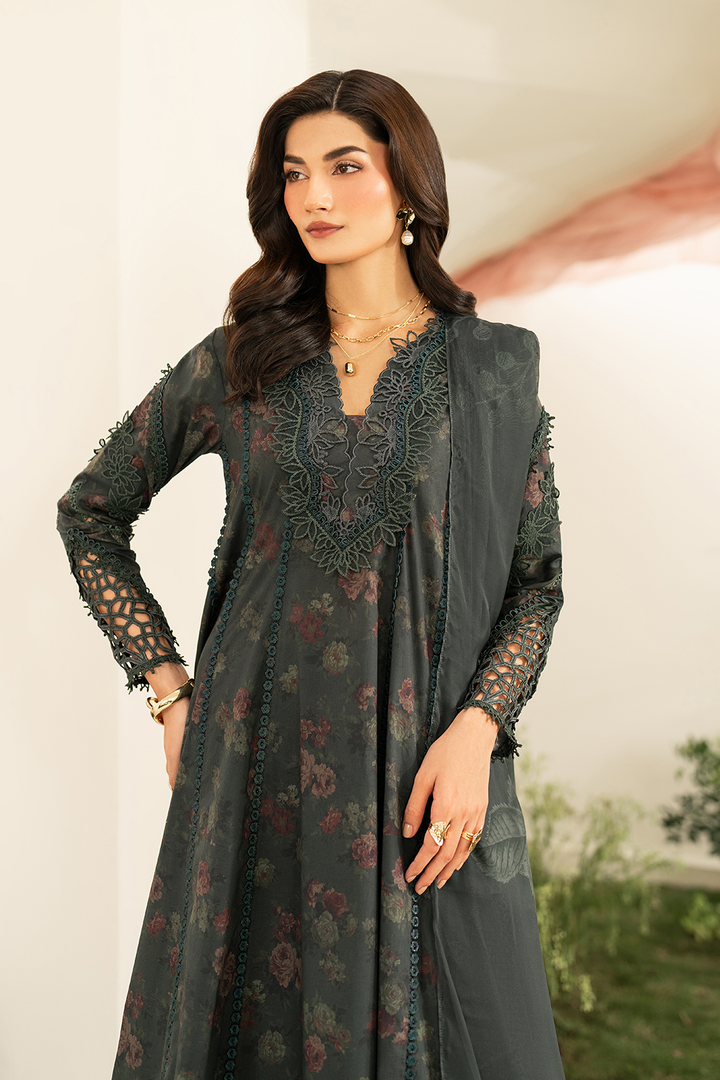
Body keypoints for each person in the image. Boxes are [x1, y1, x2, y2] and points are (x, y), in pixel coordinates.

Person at [57, 69, 564, 1080]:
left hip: (415, 766)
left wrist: (478, 729)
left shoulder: (493, 368)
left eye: (345, 166)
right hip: (249, 763)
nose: (316, 197)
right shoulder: (239, 361)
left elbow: (534, 582)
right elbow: (91, 512)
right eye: (294, 174)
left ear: (409, 184)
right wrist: (170, 692)